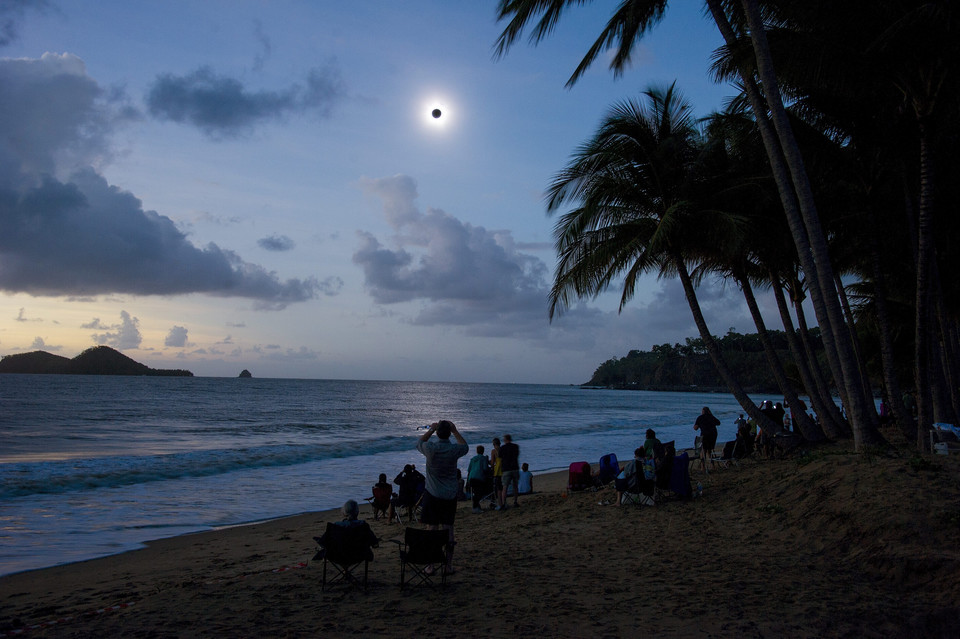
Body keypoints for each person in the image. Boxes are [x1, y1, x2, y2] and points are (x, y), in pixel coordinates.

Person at [416, 419, 469, 574]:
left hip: (432, 493)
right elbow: (464, 446)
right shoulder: (453, 450)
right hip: (449, 495)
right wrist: (455, 430)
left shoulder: (430, 449)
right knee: (448, 530)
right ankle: (448, 566)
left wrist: (431, 429)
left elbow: (419, 442)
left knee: (432, 529)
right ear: (449, 433)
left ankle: (430, 565)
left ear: (438, 433)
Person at [694, 406, 720, 473]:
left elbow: (695, 428)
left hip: (705, 435)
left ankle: (703, 467)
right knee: (710, 450)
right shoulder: (711, 417)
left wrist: (699, 425)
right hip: (713, 435)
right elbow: (718, 423)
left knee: (704, 450)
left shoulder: (700, 417)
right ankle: (712, 465)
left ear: (702, 411)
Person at [466, 445, 490, 513]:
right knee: (479, 493)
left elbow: (469, 469)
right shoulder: (484, 458)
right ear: (483, 451)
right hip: (479, 478)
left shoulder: (473, 459)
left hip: (471, 478)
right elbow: (485, 469)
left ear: (477, 451)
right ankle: (475, 507)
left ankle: (476, 506)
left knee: (476, 492)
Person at [499, 434, 520, 509]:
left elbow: (500, 456)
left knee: (505, 487)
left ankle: (504, 503)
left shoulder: (502, 448)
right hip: (514, 467)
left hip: (506, 469)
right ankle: (515, 501)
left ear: (505, 440)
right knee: (515, 486)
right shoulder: (515, 446)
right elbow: (517, 455)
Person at [490, 437, 503, 507]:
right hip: (504, 469)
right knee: (503, 488)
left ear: (494, 444)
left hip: (498, 471)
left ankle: (500, 504)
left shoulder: (494, 451)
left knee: (498, 488)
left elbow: (492, 462)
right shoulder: (503, 450)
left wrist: (491, 465)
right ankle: (504, 502)